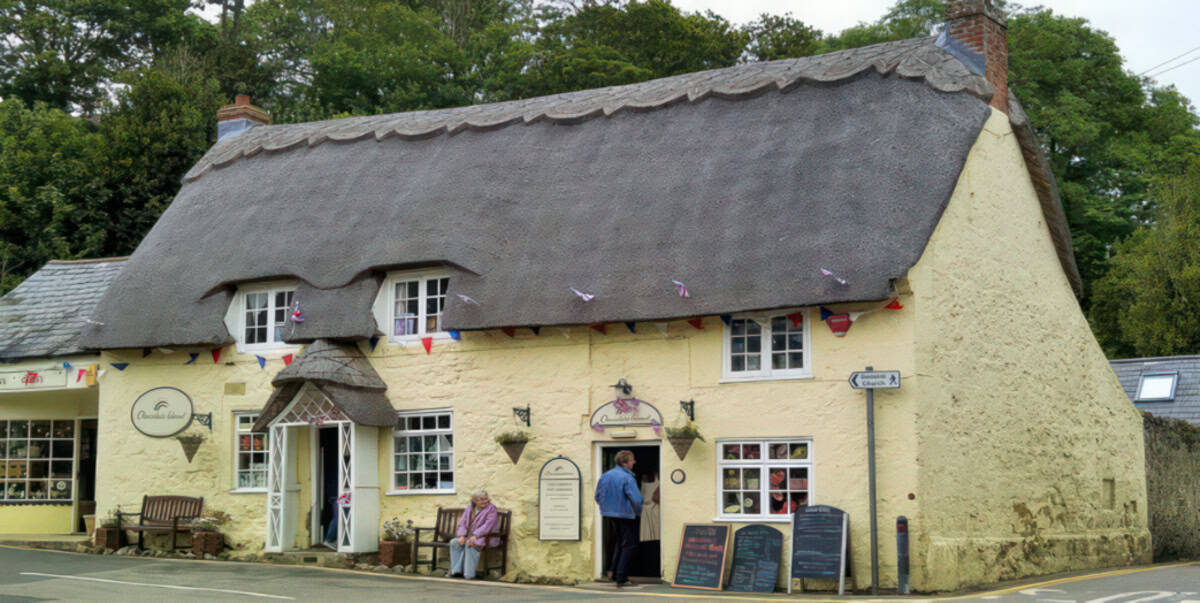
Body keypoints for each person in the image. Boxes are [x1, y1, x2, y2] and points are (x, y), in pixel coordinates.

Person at [595, 450, 643, 589]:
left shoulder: (605, 476)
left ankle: (615, 573)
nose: (634, 462)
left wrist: (607, 508)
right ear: (624, 463)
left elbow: (597, 496)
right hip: (627, 514)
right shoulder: (627, 478)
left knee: (620, 542)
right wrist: (638, 512)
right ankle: (621, 578)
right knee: (629, 545)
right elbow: (636, 499)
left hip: (609, 514)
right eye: (632, 460)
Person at [448, 490, 499, 579]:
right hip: (470, 536)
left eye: (486, 498)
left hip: (486, 536)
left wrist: (475, 535)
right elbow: (463, 522)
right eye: (481, 499)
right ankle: (457, 571)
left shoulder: (492, 509)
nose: (485, 501)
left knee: (470, 543)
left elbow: (488, 526)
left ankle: (469, 575)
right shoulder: (470, 508)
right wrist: (462, 536)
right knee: (455, 542)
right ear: (475, 501)